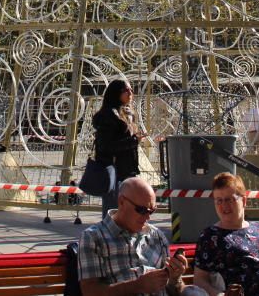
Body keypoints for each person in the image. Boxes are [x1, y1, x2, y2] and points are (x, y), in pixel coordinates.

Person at [78, 176, 207, 296]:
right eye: (142, 210)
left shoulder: (156, 236)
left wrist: (175, 278)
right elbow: (90, 291)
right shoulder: (94, 237)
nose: (148, 217)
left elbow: (173, 289)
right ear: (121, 202)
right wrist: (137, 286)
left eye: (152, 211)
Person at [92, 79, 144, 218]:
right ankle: (110, 239)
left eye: (131, 90)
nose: (130, 93)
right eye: (126, 90)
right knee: (113, 213)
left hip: (125, 171)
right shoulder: (109, 116)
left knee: (126, 212)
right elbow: (106, 146)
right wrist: (133, 141)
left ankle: (122, 238)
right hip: (114, 172)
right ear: (116, 93)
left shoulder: (123, 113)